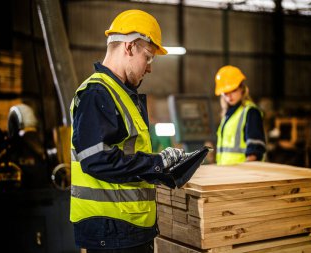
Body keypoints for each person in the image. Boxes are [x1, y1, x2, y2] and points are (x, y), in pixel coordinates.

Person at [69, 9, 188, 253]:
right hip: (112, 232)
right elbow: (96, 161)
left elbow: (127, 156)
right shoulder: (97, 93)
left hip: (125, 229)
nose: (150, 68)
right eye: (149, 57)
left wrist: (165, 169)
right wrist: (156, 163)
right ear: (130, 47)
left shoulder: (119, 93)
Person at [214, 65, 266, 165]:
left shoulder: (250, 112)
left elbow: (255, 151)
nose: (229, 96)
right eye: (225, 93)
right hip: (227, 174)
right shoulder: (228, 114)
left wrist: (245, 173)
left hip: (242, 175)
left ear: (242, 88)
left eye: (233, 90)